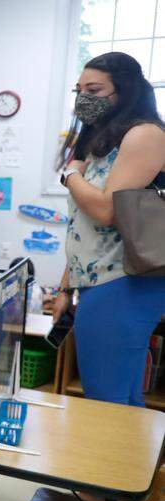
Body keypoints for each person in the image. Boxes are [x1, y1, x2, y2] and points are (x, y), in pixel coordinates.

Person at [54, 51, 165, 406]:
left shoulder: (146, 135)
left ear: (126, 90)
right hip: (98, 281)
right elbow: (82, 226)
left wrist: (70, 175)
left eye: (95, 89)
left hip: (125, 280)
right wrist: (64, 286)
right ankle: (129, 463)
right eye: (79, 89)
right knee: (122, 397)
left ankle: (109, 464)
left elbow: (105, 210)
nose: (84, 97)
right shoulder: (100, 142)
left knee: (106, 399)